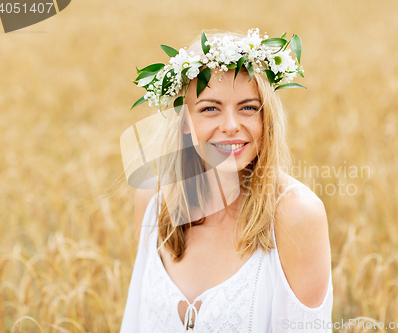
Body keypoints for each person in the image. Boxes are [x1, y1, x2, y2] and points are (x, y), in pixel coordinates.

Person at [120, 28, 333, 332]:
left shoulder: (296, 214)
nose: (231, 126)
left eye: (248, 108)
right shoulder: (155, 199)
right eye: (210, 109)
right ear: (184, 121)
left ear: (266, 118)